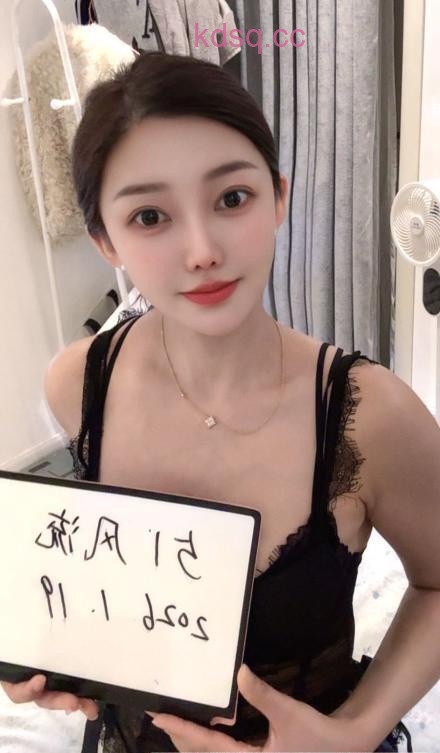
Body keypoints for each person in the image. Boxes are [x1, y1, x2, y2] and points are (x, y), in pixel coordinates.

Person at [3, 51, 440, 753]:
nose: (202, 250)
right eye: (150, 215)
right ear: (104, 240)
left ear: (279, 197)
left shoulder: (370, 415)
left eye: (232, 199)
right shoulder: (76, 384)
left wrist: (355, 731)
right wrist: (55, 650)